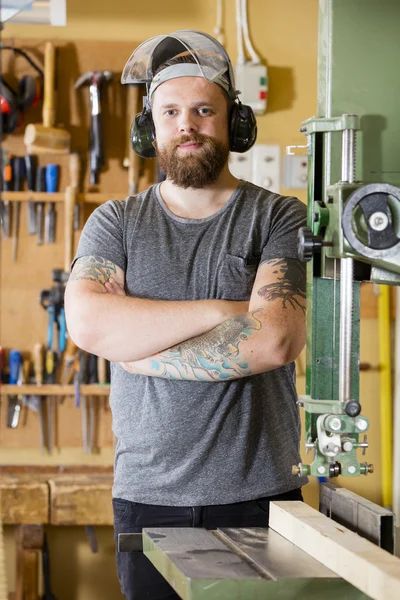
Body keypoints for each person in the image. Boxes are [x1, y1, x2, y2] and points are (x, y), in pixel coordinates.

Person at [65, 29, 308, 600]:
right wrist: (223, 310)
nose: (188, 124)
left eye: (204, 109)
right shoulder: (115, 222)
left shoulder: (278, 217)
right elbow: (90, 325)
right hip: (148, 499)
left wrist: (142, 352)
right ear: (150, 127)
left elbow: (273, 341)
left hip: (260, 498)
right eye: (171, 111)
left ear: (234, 123)